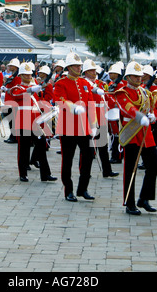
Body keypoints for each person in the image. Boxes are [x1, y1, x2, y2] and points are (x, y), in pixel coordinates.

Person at [114, 61, 157, 215]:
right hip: (132, 132)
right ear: (128, 77)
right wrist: (140, 117)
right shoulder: (122, 92)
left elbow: (151, 108)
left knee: (153, 166)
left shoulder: (145, 92)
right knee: (131, 169)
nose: (139, 78)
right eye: (135, 76)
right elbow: (127, 108)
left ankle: (144, 198)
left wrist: (153, 116)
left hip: (146, 134)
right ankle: (129, 202)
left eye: (140, 76)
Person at [54, 52, 96, 202]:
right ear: (69, 67)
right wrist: (72, 107)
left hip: (84, 127)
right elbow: (59, 100)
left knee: (89, 156)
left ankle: (83, 188)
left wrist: (94, 123)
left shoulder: (85, 84)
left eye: (79, 66)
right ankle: (68, 190)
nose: (79, 68)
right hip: (68, 127)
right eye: (76, 66)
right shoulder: (61, 83)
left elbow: (91, 104)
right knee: (68, 160)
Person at [9, 62, 57, 182]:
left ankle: (45, 174)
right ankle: (23, 173)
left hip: (35, 121)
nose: (29, 77)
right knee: (23, 149)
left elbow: (40, 102)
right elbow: (17, 95)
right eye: (25, 75)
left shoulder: (35, 88)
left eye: (30, 74)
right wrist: (31, 89)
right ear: (20, 76)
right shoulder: (17, 88)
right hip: (23, 121)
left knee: (41, 147)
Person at [82, 59, 119, 178]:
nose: (94, 73)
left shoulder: (101, 83)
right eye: (92, 71)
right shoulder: (84, 84)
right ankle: (85, 172)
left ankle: (107, 170)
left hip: (101, 115)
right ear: (86, 72)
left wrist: (115, 103)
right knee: (88, 148)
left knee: (102, 146)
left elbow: (106, 97)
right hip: (91, 116)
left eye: (95, 71)